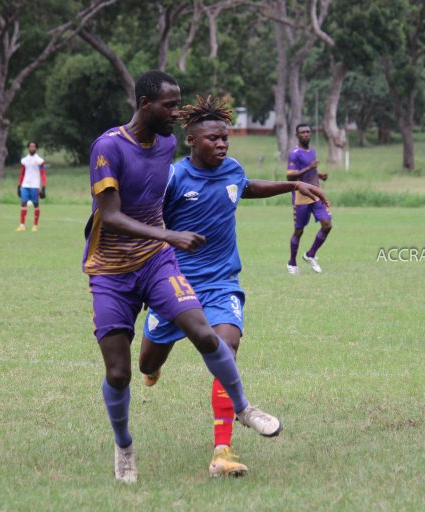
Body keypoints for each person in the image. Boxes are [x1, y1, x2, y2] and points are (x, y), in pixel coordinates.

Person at [82, 71, 282, 484]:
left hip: (157, 263)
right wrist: (169, 234)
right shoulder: (108, 146)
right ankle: (124, 447)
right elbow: (111, 215)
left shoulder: (168, 143)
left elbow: (237, 186)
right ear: (144, 105)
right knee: (122, 373)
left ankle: (242, 408)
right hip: (112, 270)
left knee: (208, 334)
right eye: (169, 106)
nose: (176, 113)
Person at [138, 96, 327, 478]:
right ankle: (153, 368)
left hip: (222, 281)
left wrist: (291, 185)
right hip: (174, 284)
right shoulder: (173, 177)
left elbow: (246, 187)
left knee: (226, 345)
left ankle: (222, 450)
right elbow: (146, 217)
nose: (221, 144)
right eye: (213, 139)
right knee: (147, 363)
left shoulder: (232, 170)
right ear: (191, 140)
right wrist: (170, 238)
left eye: (225, 138)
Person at [285, 124, 332, 274]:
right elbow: (290, 176)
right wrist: (310, 168)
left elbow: (310, 170)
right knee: (299, 231)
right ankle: (292, 263)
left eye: (308, 132)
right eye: (302, 132)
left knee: (327, 224)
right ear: (297, 135)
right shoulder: (294, 154)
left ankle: (310, 254)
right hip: (301, 197)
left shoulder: (312, 151)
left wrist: (319, 175)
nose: (306, 134)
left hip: (316, 195)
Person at [16, 141, 46, 232]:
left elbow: (43, 174)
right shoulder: (24, 160)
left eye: (33, 146)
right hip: (25, 184)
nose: (32, 148)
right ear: (28, 148)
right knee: (23, 203)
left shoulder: (40, 161)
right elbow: (22, 174)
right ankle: (22, 225)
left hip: (35, 185)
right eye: (30, 146)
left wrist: (43, 186)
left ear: (36, 148)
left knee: (36, 204)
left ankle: (35, 225)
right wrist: (19, 185)